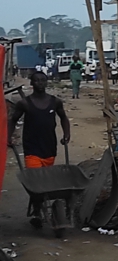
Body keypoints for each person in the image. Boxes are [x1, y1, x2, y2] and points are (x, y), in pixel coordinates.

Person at [7, 72, 71, 228]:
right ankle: (37, 212)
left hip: (49, 148)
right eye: (37, 81)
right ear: (32, 83)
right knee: (36, 183)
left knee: (45, 184)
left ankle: (43, 210)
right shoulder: (25, 104)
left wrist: (66, 134)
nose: (40, 83)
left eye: (43, 80)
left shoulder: (55, 102)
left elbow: (63, 118)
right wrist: (8, 137)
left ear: (46, 82)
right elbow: (13, 120)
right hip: (32, 149)